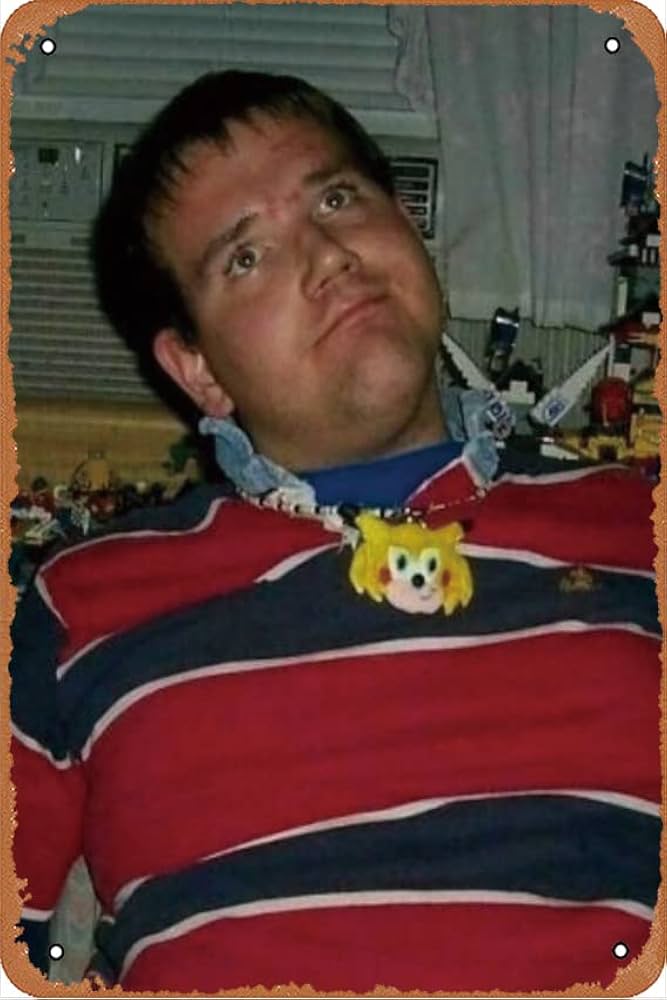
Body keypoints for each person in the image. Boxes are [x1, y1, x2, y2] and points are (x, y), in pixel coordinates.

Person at [11, 71, 660, 993]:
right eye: (246, 257)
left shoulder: (636, 528)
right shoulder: (81, 605)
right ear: (198, 370)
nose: (326, 256)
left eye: (337, 199)